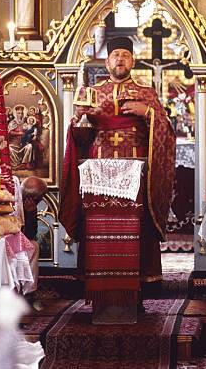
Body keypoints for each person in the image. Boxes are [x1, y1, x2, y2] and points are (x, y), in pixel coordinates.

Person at [60, 36, 176, 310]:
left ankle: (136, 290)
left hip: (135, 173)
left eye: (125, 54)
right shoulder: (92, 92)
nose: (120, 59)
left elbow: (166, 131)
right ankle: (100, 291)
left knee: (134, 229)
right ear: (107, 60)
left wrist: (147, 111)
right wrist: (79, 120)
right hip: (99, 171)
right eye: (115, 55)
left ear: (133, 61)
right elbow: (79, 136)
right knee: (100, 227)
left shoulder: (146, 92)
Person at [20, 176, 48, 309]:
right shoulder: (13, 201)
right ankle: (28, 294)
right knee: (33, 246)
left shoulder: (29, 206)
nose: (41, 200)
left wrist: (31, 214)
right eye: (40, 198)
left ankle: (29, 293)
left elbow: (30, 235)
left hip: (17, 243)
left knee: (33, 245)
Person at [8, 105, 35, 170]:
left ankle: (24, 164)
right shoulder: (12, 122)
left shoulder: (25, 123)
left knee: (29, 146)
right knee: (10, 148)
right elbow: (9, 132)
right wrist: (18, 133)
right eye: (19, 113)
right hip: (14, 143)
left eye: (21, 113)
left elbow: (28, 132)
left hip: (23, 143)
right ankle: (14, 165)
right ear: (15, 114)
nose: (20, 115)